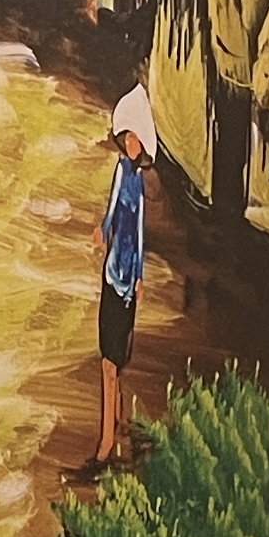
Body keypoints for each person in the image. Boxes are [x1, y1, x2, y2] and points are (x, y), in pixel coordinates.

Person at [87, 85, 159, 476]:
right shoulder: (120, 172)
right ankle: (107, 439)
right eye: (126, 137)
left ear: (142, 145)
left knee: (116, 359)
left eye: (135, 139)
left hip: (128, 280)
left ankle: (108, 442)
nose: (130, 144)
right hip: (113, 272)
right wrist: (102, 229)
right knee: (108, 360)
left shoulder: (140, 185)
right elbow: (112, 208)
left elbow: (141, 231)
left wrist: (142, 277)